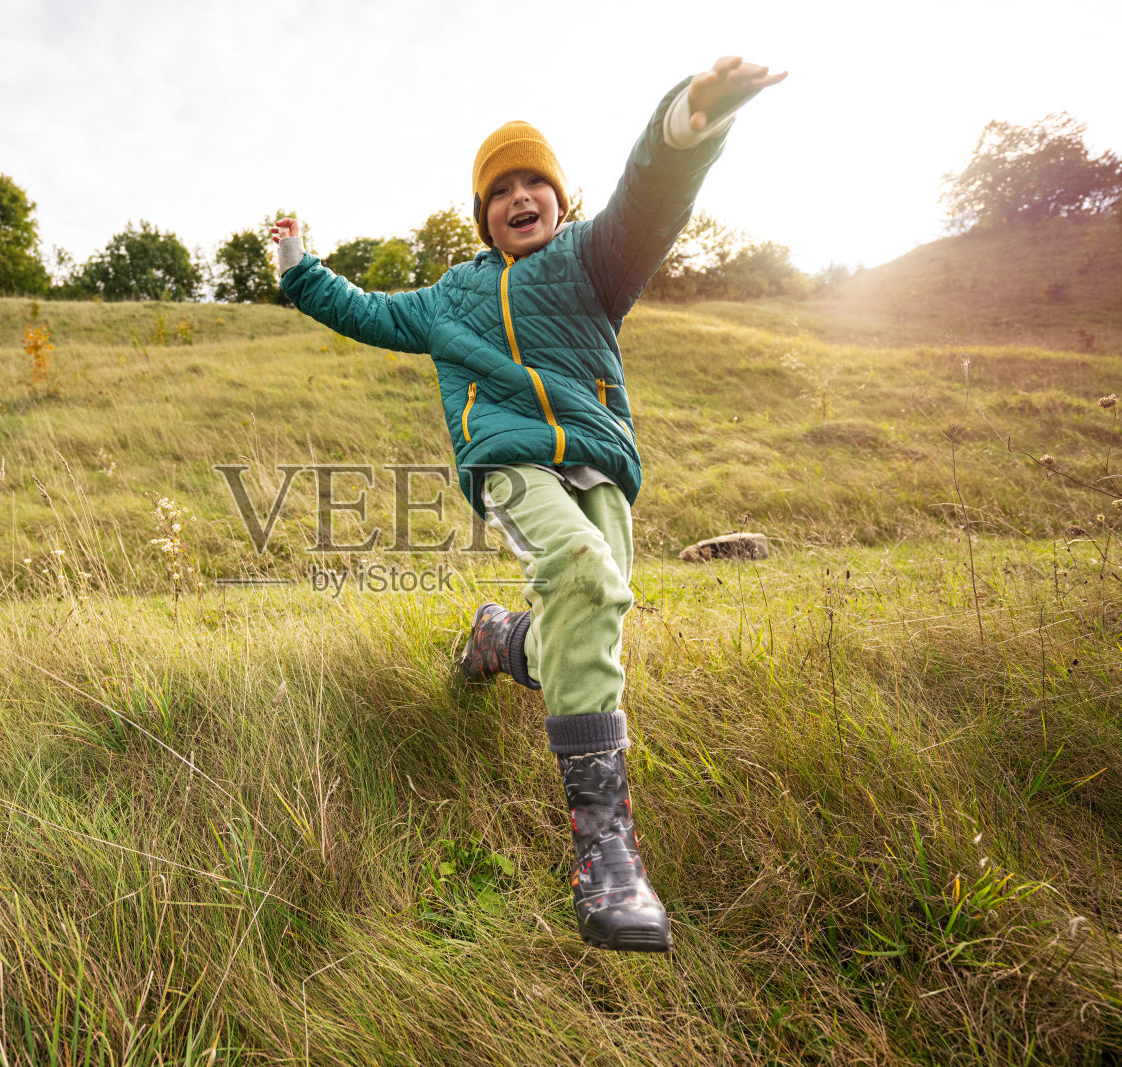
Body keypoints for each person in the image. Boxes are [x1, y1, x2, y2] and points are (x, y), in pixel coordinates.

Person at [271, 57, 785, 952]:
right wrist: (295, 263)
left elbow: (650, 198)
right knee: (583, 573)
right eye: (499, 189)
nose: (519, 198)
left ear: (557, 196)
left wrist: (689, 122)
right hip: (510, 460)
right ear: (482, 215)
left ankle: (500, 640)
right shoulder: (447, 299)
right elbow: (361, 309)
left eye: (534, 183)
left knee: (590, 614)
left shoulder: (594, 261)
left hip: (597, 462)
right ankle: (605, 854)